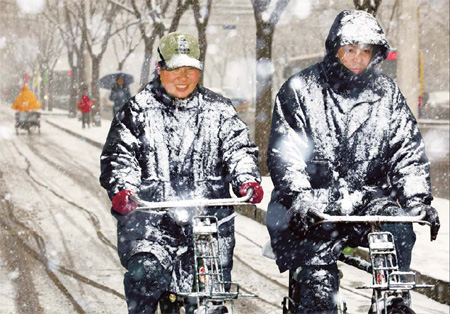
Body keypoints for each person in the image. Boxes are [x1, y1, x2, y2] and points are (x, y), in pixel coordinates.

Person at [266, 10, 440, 313]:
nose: (357, 58)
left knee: (396, 231)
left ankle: (392, 301)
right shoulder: (300, 91)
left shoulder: (387, 95)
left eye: (366, 51)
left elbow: (407, 151)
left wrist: (416, 200)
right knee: (317, 291)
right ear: (335, 49)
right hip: (314, 208)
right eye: (350, 49)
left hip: (367, 202)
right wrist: (298, 196)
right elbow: (287, 154)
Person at [99, 32, 263, 314]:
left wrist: (246, 177)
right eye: (175, 68)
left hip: (207, 226)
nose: (183, 77)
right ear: (160, 69)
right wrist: (124, 189)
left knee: (212, 299)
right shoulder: (136, 112)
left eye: (190, 69)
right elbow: (119, 157)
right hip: (150, 224)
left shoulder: (220, 111)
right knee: (144, 278)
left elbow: (239, 149)